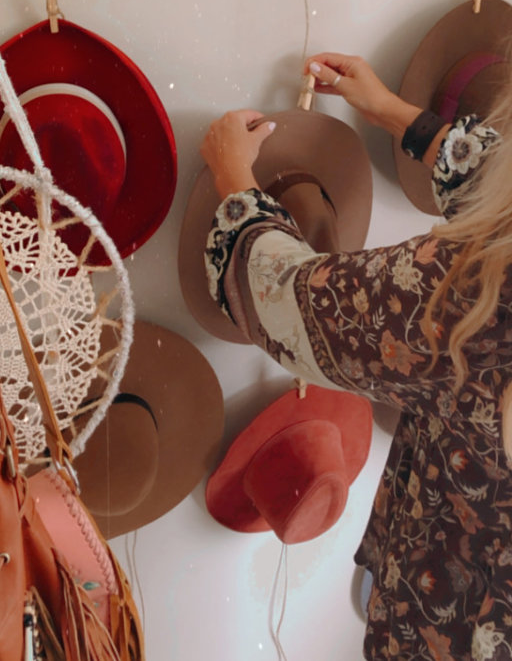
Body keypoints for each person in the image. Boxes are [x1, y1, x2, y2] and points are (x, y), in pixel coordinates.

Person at [200, 52, 512, 661]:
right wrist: (396, 115)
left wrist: (233, 180)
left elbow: (293, 306)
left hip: (446, 622)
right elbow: (497, 192)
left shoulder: (475, 297)